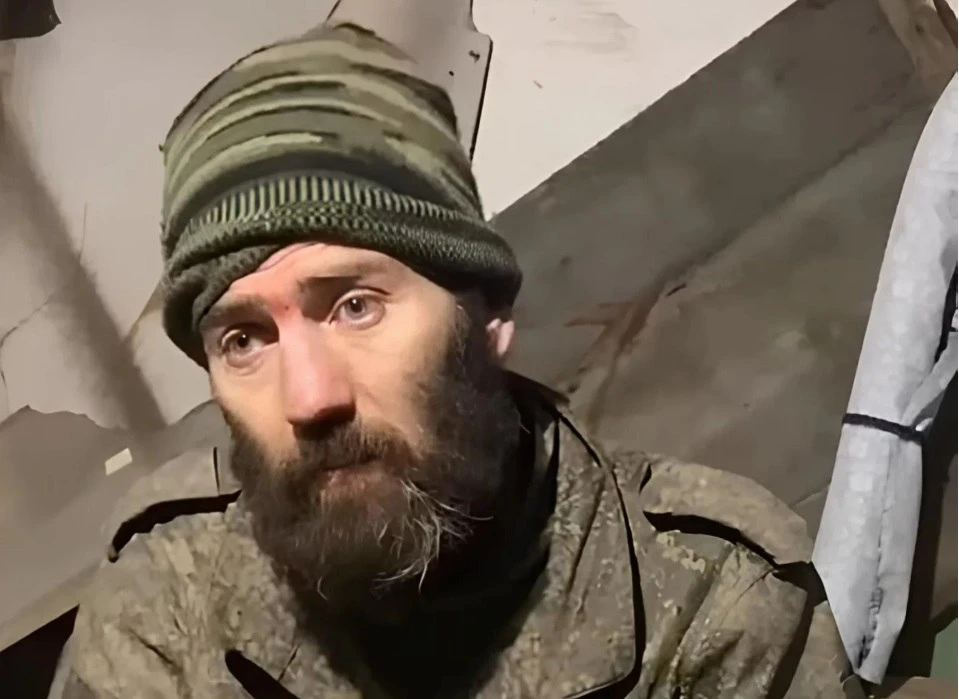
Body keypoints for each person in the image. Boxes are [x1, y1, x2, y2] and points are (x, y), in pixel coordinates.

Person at [59, 22, 859, 699]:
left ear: (488, 316)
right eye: (243, 339)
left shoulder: (711, 601)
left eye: (354, 305)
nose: (309, 397)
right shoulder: (167, 594)